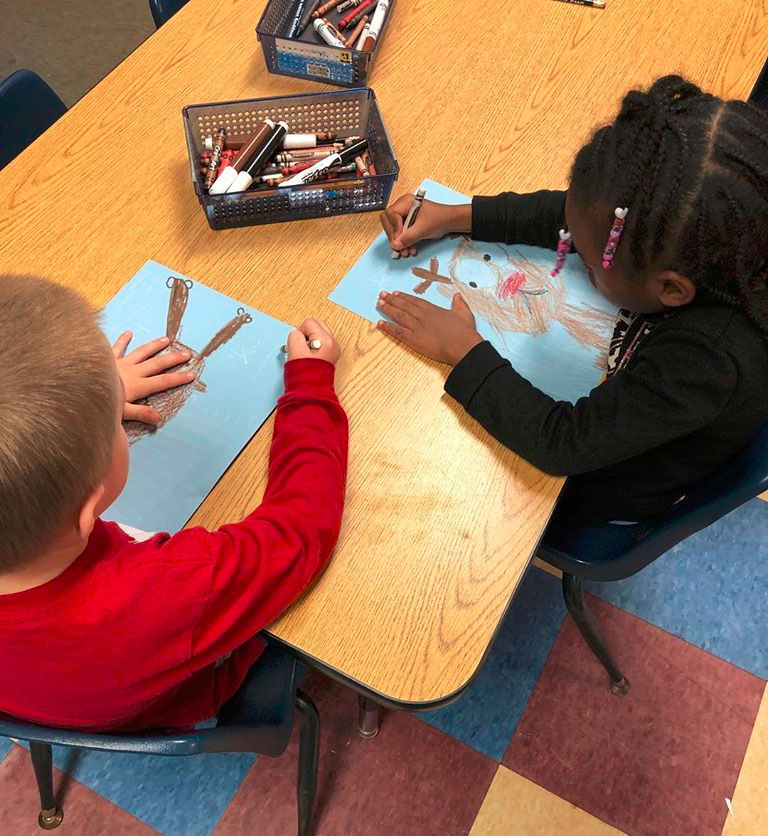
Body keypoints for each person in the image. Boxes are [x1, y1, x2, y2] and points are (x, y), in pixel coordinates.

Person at [378, 75, 768, 553]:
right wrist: (461, 215)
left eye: (584, 259)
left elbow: (563, 444)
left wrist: (462, 351)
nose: (575, 253)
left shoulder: (705, 361)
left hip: (595, 491)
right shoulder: (717, 234)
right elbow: (579, 219)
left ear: (670, 289)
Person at [0, 275, 347, 731]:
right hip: (177, 695)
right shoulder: (170, 590)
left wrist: (90, 397)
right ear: (91, 507)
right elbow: (300, 531)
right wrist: (311, 386)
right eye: (112, 426)